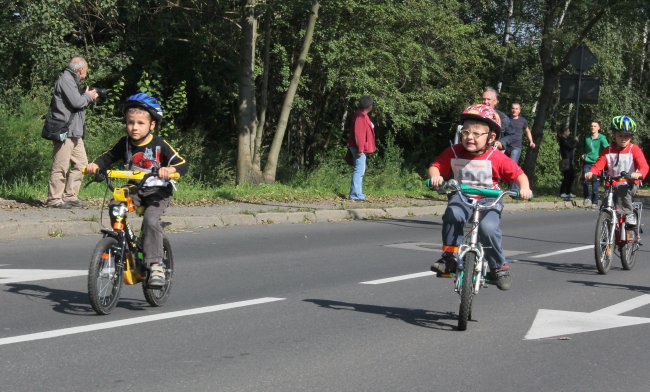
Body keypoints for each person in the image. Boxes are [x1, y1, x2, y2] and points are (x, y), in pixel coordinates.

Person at [85, 93, 188, 287]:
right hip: (134, 188)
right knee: (116, 204)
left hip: (157, 192)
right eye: (131, 122)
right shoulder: (124, 143)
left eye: (141, 123)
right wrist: (95, 166)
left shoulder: (160, 144)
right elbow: (108, 157)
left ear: (152, 125)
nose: (134, 127)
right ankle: (120, 244)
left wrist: (170, 170)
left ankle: (156, 264)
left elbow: (182, 163)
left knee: (150, 220)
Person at [428, 104, 532, 291]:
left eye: (477, 134)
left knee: (488, 227)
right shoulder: (454, 151)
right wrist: (435, 176)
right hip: (462, 196)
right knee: (453, 214)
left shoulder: (496, 157)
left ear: (491, 137)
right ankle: (449, 258)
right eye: (466, 132)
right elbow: (436, 166)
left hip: (489, 199)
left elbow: (519, 175)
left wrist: (524, 188)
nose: (469, 137)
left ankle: (498, 267)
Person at [45, 56, 99, 208]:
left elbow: (77, 102)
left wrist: (86, 97)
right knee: (60, 166)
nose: (86, 75)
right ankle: (54, 199)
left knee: (81, 164)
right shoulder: (66, 80)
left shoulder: (73, 81)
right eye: (86, 71)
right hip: (65, 131)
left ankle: (70, 196)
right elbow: (77, 102)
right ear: (81, 70)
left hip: (75, 132)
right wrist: (88, 97)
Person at [585, 116, 648, 226]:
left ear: (631, 136)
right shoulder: (608, 151)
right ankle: (606, 227)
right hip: (612, 183)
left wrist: (639, 174)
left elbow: (644, 166)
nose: (623, 139)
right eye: (620, 135)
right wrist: (592, 172)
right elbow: (599, 164)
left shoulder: (634, 149)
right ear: (614, 135)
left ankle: (629, 220)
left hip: (629, 183)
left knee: (621, 193)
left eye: (626, 136)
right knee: (606, 203)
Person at [347, 95, 376, 202]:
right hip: (359, 148)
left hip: (360, 148)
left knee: (360, 170)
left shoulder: (362, 115)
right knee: (359, 171)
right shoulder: (361, 116)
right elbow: (359, 134)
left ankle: (358, 193)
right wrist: (360, 149)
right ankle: (355, 195)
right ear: (369, 105)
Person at [579, 120, 609, 208]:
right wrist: (582, 155)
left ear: (598, 128)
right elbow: (582, 147)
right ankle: (587, 198)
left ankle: (595, 201)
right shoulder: (587, 137)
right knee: (586, 179)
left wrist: (605, 159)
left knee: (595, 181)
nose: (593, 127)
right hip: (587, 162)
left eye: (595, 126)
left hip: (597, 163)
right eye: (591, 126)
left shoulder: (602, 138)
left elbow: (607, 149)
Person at [557, 127, 578, 198]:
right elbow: (570, 146)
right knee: (567, 176)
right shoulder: (562, 140)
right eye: (568, 131)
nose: (569, 133)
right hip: (565, 160)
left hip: (569, 160)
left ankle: (568, 192)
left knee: (571, 176)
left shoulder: (566, 140)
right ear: (564, 132)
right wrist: (575, 141)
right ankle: (562, 192)